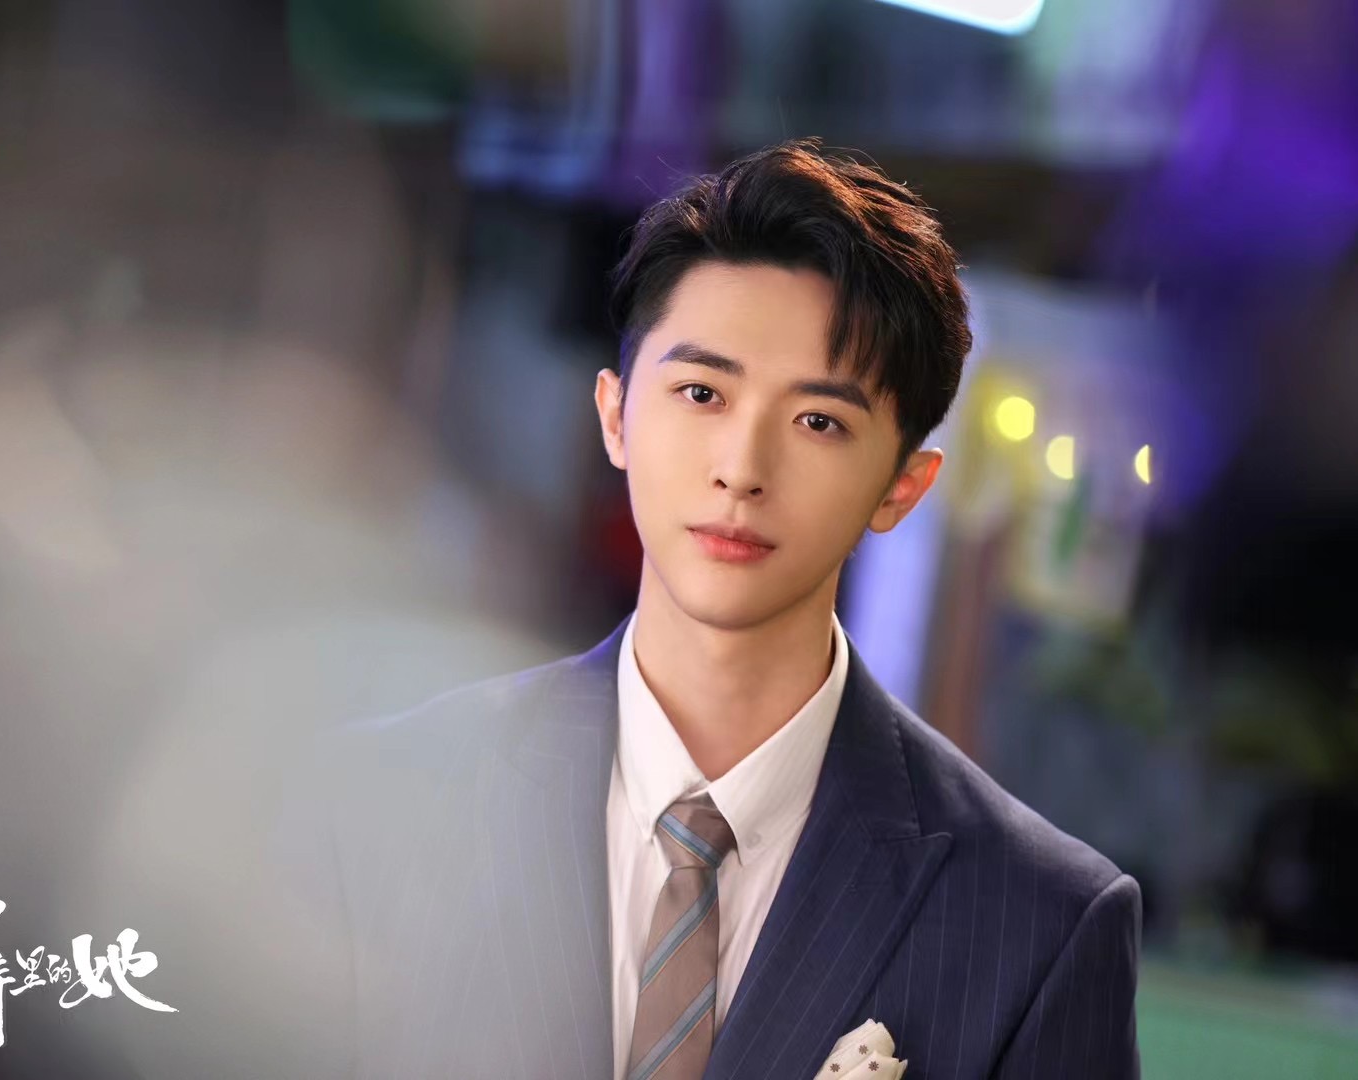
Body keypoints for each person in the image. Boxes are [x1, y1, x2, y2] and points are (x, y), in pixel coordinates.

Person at [265, 138, 1142, 1080]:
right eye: (700, 392)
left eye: (818, 421)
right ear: (615, 416)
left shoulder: (1038, 923)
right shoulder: (374, 806)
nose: (741, 469)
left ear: (902, 485)